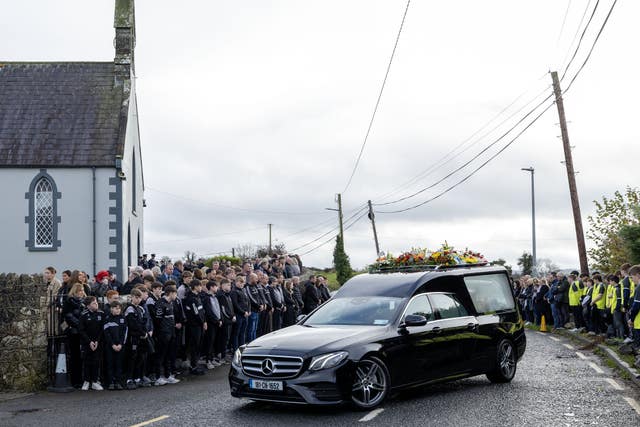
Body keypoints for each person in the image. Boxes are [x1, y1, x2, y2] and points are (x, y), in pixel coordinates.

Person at [154, 285, 180, 385]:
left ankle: (168, 375)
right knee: (161, 355)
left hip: (171, 332)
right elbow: (158, 320)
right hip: (163, 334)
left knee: (169, 355)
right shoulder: (160, 303)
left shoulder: (171, 303)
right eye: (175, 293)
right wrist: (161, 332)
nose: (176, 295)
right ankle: (158, 377)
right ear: (170, 293)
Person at [125, 288, 151, 389]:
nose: (138, 300)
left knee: (140, 358)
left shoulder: (141, 309)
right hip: (133, 338)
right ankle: (129, 379)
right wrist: (141, 332)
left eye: (139, 298)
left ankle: (137, 377)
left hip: (141, 337)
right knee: (132, 358)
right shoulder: (129, 309)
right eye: (136, 297)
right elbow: (133, 325)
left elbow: (145, 321)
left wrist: (144, 332)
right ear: (131, 297)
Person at [62, 281, 86, 388]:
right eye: (79, 291)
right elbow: (69, 317)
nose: (81, 292)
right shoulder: (69, 302)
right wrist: (80, 326)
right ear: (75, 292)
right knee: (74, 356)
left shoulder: (83, 302)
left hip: (82, 332)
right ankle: (75, 380)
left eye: (82, 290)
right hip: (73, 332)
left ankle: (83, 378)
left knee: (82, 357)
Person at [78, 296, 105, 391]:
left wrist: (97, 341)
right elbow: (81, 330)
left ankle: (94, 381)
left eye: (96, 302)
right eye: (94, 303)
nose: (96, 304)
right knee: (87, 361)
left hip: (98, 342)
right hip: (87, 342)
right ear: (88, 305)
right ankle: (86, 381)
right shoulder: (84, 315)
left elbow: (102, 329)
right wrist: (89, 342)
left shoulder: (101, 314)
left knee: (96, 361)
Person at [183, 279, 206, 375]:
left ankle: (195, 364)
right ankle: (193, 367)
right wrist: (202, 322)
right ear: (195, 287)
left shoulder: (197, 297)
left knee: (198, 345)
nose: (201, 287)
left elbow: (201, 311)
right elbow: (196, 313)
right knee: (194, 346)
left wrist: (204, 321)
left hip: (199, 325)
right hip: (194, 326)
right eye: (200, 286)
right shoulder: (191, 299)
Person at [104, 300, 126, 390]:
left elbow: (124, 333)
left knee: (118, 364)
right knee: (110, 364)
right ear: (111, 309)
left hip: (120, 345)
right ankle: (110, 382)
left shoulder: (123, 318)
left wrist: (120, 344)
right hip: (110, 346)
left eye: (119, 309)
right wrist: (112, 344)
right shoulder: (107, 319)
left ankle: (118, 382)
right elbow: (106, 333)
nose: (117, 310)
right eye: (115, 308)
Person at [201, 281, 221, 369]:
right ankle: (208, 361)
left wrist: (220, 319)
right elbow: (209, 312)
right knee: (209, 341)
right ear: (212, 287)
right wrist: (216, 320)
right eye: (216, 286)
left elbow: (218, 309)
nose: (217, 288)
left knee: (214, 342)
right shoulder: (206, 298)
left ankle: (212, 358)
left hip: (217, 322)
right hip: (211, 323)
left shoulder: (215, 297)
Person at [217, 279, 236, 362]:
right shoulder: (221, 295)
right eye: (228, 285)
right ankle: (222, 355)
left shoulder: (228, 295)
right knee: (224, 338)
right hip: (226, 320)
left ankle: (224, 354)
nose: (230, 286)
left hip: (230, 320)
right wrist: (231, 316)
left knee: (227, 338)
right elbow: (223, 309)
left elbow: (231, 307)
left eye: (230, 285)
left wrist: (233, 315)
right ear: (223, 285)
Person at [231, 276, 250, 351]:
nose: (242, 284)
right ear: (236, 282)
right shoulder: (234, 291)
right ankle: (236, 349)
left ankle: (242, 348)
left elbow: (248, 302)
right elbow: (235, 304)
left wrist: (248, 310)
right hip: (239, 315)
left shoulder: (243, 290)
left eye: (243, 282)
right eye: (240, 282)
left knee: (242, 333)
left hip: (245, 315)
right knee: (236, 333)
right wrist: (243, 312)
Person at [245, 273, 262, 343]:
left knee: (255, 329)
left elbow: (258, 297)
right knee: (251, 329)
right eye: (256, 278)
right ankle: (250, 343)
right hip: (252, 311)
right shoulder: (247, 287)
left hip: (257, 310)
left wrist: (261, 304)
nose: (257, 280)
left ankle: (254, 342)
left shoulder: (255, 286)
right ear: (251, 278)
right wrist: (258, 306)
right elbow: (250, 298)